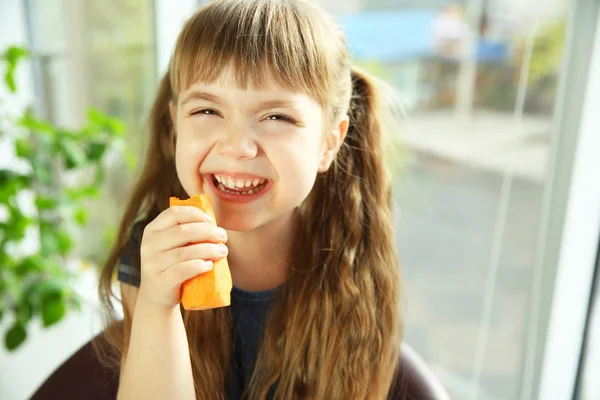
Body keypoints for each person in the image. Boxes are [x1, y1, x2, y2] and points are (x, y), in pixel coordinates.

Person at [95, 0, 404, 398]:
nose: (238, 147)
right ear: (175, 127)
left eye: (277, 117)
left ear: (329, 143)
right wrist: (158, 303)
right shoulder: (150, 255)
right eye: (207, 110)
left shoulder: (353, 260)